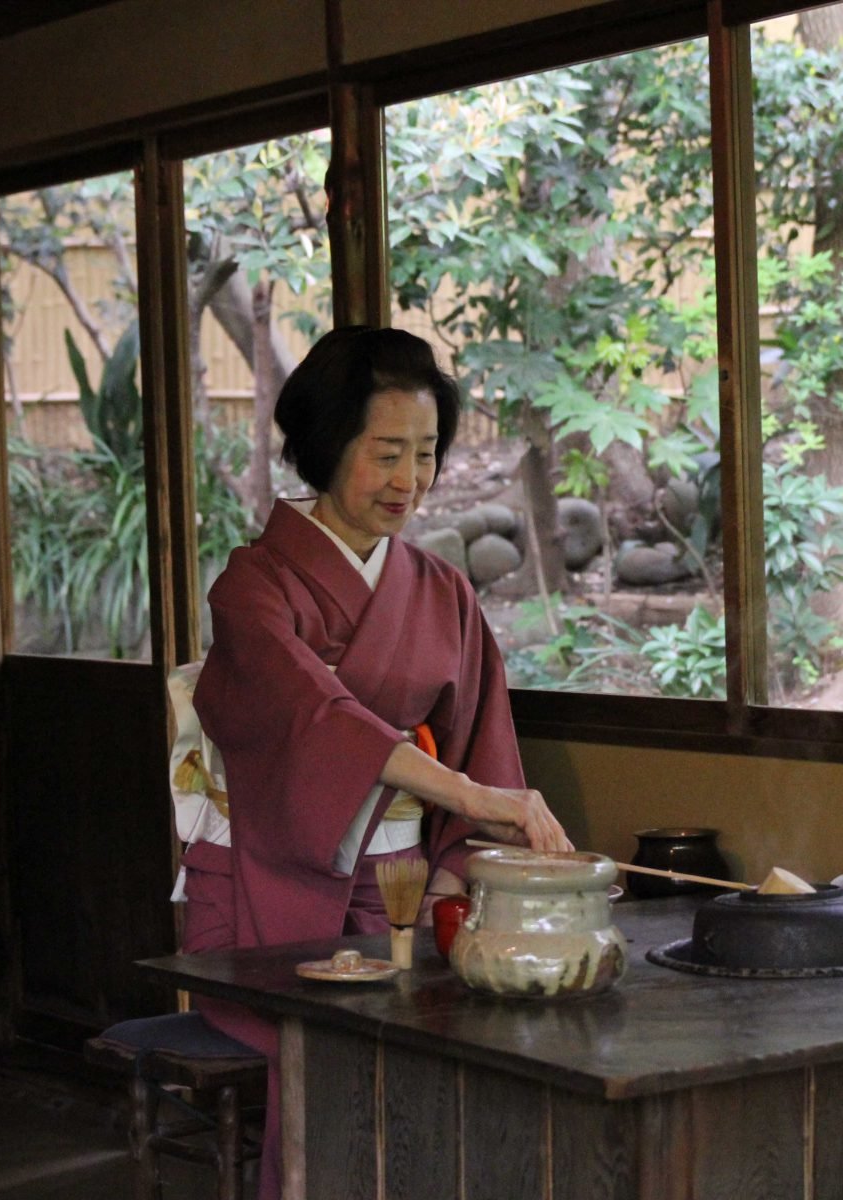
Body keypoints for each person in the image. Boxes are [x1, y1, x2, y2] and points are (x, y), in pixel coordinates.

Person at [191, 325, 572, 1200]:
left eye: (427, 454)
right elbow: (320, 719)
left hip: (409, 903)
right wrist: (478, 793)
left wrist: (450, 875)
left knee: (484, 1048)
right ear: (328, 447)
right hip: (270, 896)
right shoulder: (253, 589)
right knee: (336, 1047)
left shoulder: (441, 592)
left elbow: (487, 751)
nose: (411, 481)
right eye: (386, 453)